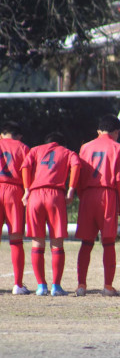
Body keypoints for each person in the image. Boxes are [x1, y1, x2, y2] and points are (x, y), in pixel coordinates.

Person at [21, 132, 80, 296]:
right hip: (55, 195)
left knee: (37, 243)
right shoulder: (68, 152)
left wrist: (26, 190)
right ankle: (56, 286)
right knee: (57, 243)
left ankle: (41, 286)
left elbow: (25, 166)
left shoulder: (35, 150)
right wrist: (71, 191)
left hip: (35, 195)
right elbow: (76, 166)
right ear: (62, 144)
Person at [75, 114, 120, 297]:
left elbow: (79, 177)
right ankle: (108, 286)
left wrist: (83, 197)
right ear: (116, 132)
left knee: (86, 243)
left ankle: (81, 285)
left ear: (99, 131)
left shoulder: (85, 147)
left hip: (88, 194)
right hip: (108, 194)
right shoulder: (118, 148)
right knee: (109, 243)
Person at [0, 121, 30, 295]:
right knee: (16, 240)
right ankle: (18, 285)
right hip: (14, 191)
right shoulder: (23, 147)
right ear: (19, 136)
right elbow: (27, 170)